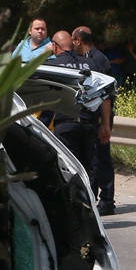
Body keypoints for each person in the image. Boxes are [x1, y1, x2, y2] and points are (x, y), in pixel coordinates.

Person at [49, 27, 111, 179]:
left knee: (67, 171)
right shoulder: (92, 65)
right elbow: (104, 96)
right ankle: (87, 200)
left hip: (65, 125)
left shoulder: (52, 66)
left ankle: (71, 201)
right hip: (89, 125)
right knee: (86, 171)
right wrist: (105, 124)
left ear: (55, 46)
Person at [73, 27, 117, 215]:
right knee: (94, 159)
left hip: (100, 116)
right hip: (97, 116)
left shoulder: (95, 60)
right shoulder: (96, 57)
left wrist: (103, 122)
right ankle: (95, 197)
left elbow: (102, 92)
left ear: (78, 41)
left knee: (101, 158)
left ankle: (107, 201)